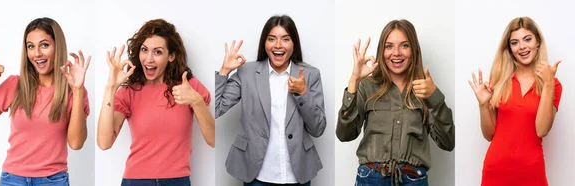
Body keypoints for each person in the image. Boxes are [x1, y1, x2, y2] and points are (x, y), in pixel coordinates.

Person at [96, 19, 214, 186]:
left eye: (157, 52)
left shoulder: (188, 86)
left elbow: (213, 140)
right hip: (136, 181)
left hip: (177, 180)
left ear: (171, 56)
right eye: (144, 50)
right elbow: (104, 142)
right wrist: (110, 88)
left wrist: (196, 101)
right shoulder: (129, 92)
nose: (149, 59)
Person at [336, 19, 455, 186]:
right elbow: (344, 134)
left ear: (413, 50)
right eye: (389, 46)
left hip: (413, 180)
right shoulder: (367, 86)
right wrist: (354, 80)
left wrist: (435, 98)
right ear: (382, 51)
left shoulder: (425, 89)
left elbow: (448, 143)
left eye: (404, 45)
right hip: (370, 178)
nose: (396, 53)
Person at [0, 17, 91, 186]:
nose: (37, 53)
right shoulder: (15, 85)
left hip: (53, 180)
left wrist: (78, 90)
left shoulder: (73, 91)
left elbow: (76, 143)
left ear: (57, 46)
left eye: (44, 45)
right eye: (31, 46)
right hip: (12, 180)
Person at [215, 15, 326, 186]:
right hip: (256, 174)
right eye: (272, 39)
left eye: (286, 39)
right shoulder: (247, 72)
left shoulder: (310, 75)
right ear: (264, 43)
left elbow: (318, 128)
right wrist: (224, 71)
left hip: (297, 174)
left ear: (293, 44)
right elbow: (215, 109)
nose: (278, 45)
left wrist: (303, 93)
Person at [469, 16, 562, 186]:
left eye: (527, 39)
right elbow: (489, 135)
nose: (522, 47)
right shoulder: (499, 80)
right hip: (495, 171)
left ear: (538, 42)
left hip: (532, 172)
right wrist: (483, 105)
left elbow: (542, 130)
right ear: (510, 49)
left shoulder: (553, 85)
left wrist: (548, 84)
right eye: (515, 42)